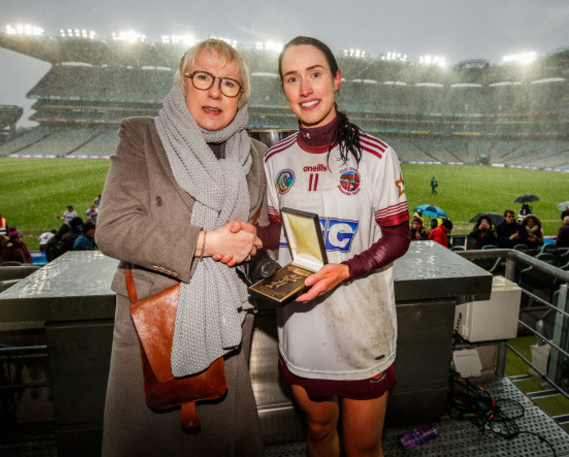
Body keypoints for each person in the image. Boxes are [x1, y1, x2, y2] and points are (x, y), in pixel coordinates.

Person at [95, 38, 268, 457]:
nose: (214, 91)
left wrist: (253, 247)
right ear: (183, 81)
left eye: (230, 84)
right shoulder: (142, 136)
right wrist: (206, 242)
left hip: (226, 325)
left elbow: (255, 234)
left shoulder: (255, 155)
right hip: (154, 325)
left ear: (241, 97)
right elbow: (113, 229)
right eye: (203, 77)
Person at [260, 36, 410, 457]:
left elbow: (399, 237)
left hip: (360, 327)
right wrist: (252, 235)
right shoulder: (276, 160)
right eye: (293, 78)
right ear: (284, 88)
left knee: (363, 449)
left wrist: (346, 270)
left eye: (315, 74)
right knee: (319, 431)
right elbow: (281, 232)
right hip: (301, 328)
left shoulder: (377, 156)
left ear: (336, 80)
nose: (305, 88)